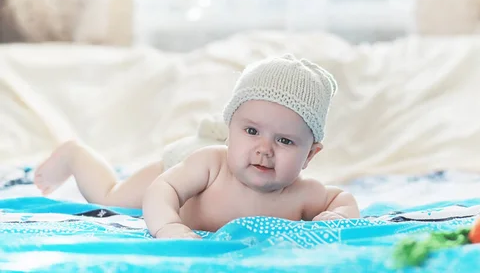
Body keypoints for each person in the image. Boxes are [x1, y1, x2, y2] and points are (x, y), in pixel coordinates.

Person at [34, 54, 360, 238]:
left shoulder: (305, 195)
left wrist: (338, 216)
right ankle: (75, 155)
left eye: (285, 140)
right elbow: (162, 191)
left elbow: (342, 198)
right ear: (230, 128)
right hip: (179, 167)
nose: (265, 149)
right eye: (251, 130)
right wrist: (168, 225)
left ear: (310, 155)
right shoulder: (209, 163)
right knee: (113, 197)